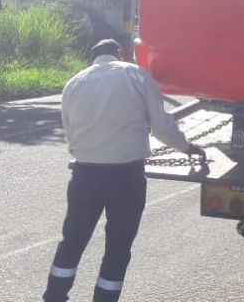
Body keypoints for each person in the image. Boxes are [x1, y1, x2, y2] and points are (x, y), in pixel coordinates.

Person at [43, 39, 206, 302]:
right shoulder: (137, 76)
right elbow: (162, 128)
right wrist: (187, 148)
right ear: (120, 53)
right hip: (126, 177)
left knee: (72, 240)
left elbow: (70, 136)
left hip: (84, 175)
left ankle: (53, 296)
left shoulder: (74, 83)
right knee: (118, 245)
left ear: (93, 57)